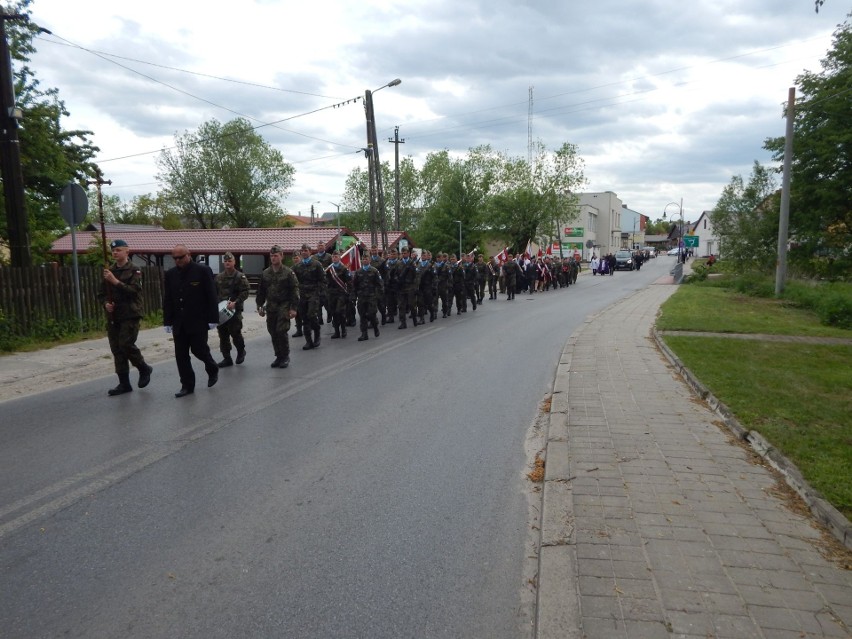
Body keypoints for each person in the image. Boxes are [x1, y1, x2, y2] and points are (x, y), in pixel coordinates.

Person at [97, 239, 153, 396]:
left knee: (126, 344)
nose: (115, 253)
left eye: (119, 250)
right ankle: (124, 383)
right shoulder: (109, 271)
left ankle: (143, 368)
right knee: (116, 349)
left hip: (130, 313)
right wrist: (106, 304)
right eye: (113, 251)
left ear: (127, 252)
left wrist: (115, 281)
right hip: (114, 315)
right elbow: (101, 294)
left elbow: (134, 291)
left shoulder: (134, 270)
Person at [163, 244, 219, 398]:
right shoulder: (171, 274)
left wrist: (213, 318)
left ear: (189, 255)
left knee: (199, 350)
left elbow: (211, 295)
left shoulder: (202, 271)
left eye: (180, 257)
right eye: (174, 258)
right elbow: (168, 298)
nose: (177, 261)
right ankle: (187, 385)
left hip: (198, 320)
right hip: (179, 322)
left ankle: (212, 367)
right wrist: (167, 321)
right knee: (181, 355)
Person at [255, 244, 299, 368]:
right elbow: (261, 291)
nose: (273, 258)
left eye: (276, 255)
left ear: (281, 256)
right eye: (271, 256)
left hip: (284, 305)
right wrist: (259, 305)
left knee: (281, 330)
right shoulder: (266, 273)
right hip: (271, 306)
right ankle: (278, 356)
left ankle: (285, 356)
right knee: (272, 331)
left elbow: (294, 290)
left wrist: (293, 308)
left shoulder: (288, 272)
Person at [215, 252, 250, 368]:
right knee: (223, 335)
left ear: (234, 262)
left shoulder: (240, 277)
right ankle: (227, 358)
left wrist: (236, 302)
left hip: (234, 310)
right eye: (225, 261)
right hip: (221, 311)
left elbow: (245, 292)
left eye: (229, 261)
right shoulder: (219, 277)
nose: (227, 263)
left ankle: (241, 351)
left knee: (235, 333)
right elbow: (214, 293)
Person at [293, 243, 327, 350]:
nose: (304, 252)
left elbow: (323, 280)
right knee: (304, 318)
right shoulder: (297, 266)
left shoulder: (316, 264)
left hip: (313, 294)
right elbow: (292, 281)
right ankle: (308, 341)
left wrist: (320, 293)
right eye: (302, 251)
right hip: (302, 295)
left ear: (310, 252)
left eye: (306, 250)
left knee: (311, 315)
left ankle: (317, 333)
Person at [352, 256, 384, 341]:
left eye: (366, 259)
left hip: (371, 297)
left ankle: (375, 327)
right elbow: (354, 286)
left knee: (371, 314)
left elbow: (380, 285)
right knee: (362, 316)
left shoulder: (374, 271)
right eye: (363, 259)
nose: (365, 260)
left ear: (369, 260)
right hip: (362, 297)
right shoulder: (358, 272)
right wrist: (354, 297)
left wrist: (378, 296)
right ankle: (364, 334)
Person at [325, 250, 351, 338]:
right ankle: (337, 332)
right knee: (333, 313)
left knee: (339, 311)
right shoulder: (329, 269)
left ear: (340, 258)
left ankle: (343, 329)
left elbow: (349, 281)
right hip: (331, 294)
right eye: (333, 257)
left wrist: (349, 294)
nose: (334, 258)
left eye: (336, 256)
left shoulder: (344, 268)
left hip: (341, 293)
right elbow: (324, 280)